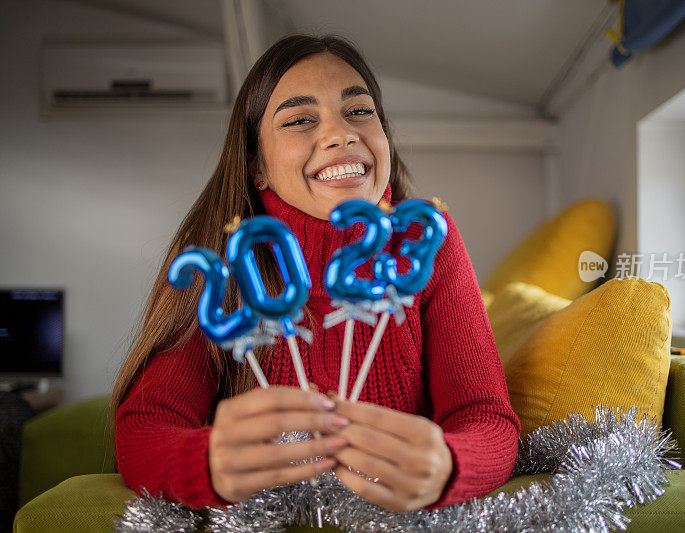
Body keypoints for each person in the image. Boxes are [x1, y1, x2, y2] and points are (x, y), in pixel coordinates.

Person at [111, 34, 520, 513]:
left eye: (360, 111)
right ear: (256, 165)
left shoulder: (425, 244)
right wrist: (207, 463)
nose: (340, 134)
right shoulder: (221, 260)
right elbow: (145, 428)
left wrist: (450, 465)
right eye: (300, 119)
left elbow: (485, 416)